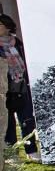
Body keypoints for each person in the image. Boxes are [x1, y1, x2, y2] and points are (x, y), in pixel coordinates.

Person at [1, 14, 36, 158]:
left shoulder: (18, 43)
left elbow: (25, 60)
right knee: (8, 124)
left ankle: (31, 150)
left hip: (21, 85)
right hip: (5, 88)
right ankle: (12, 154)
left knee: (27, 119)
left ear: (7, 27)